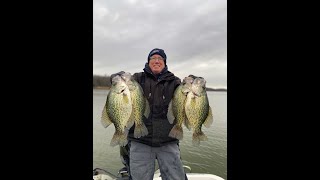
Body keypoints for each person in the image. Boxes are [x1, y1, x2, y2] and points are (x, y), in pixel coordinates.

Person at [110, 48, 187, 180]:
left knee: (176, 177)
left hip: (168, 140)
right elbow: (114, 81)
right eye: (153, 58)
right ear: (148, 62)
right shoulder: (137, 79)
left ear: (165, 62)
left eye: (160, 59)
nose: (156, 61)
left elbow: (187, 93)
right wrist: (116, 77)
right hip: (140, 141)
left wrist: (194, 81)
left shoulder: (174, 82)